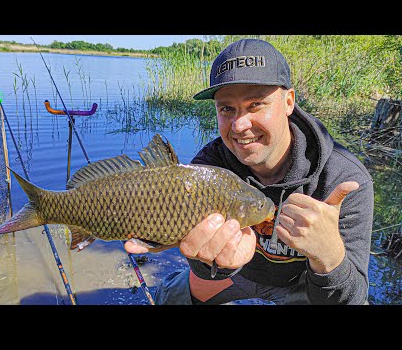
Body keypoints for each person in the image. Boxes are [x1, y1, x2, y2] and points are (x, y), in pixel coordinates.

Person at [124, 38, 374, 305]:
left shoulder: (344, 180)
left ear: (288, 101)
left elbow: (353, 297)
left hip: (303, 283)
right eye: (227, 108)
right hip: (233, 276)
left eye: (256, 104)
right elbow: (203, 263)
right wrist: (213, 263)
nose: (240, 125)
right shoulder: (209, 169)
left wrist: (329, 257)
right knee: (170, 299)